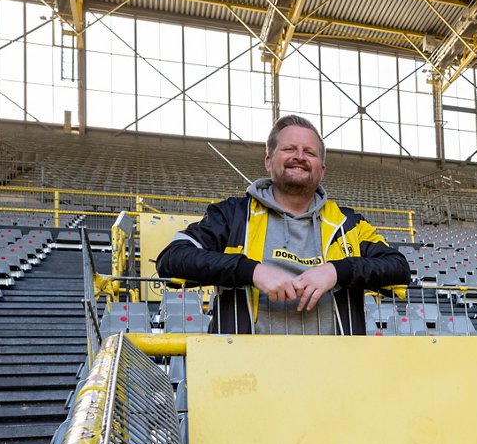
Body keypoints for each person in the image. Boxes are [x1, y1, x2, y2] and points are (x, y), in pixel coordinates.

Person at [156, 114, 410, 334]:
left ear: (322, 169)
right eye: (289, 149)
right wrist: (253, 271)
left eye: (309, 152)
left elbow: (398, 267)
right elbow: (172, 258)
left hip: (334, 371)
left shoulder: (347, 223)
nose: (299, 156)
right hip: (245, 371)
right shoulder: (233, 215)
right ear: (268, 161)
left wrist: (336, 271)